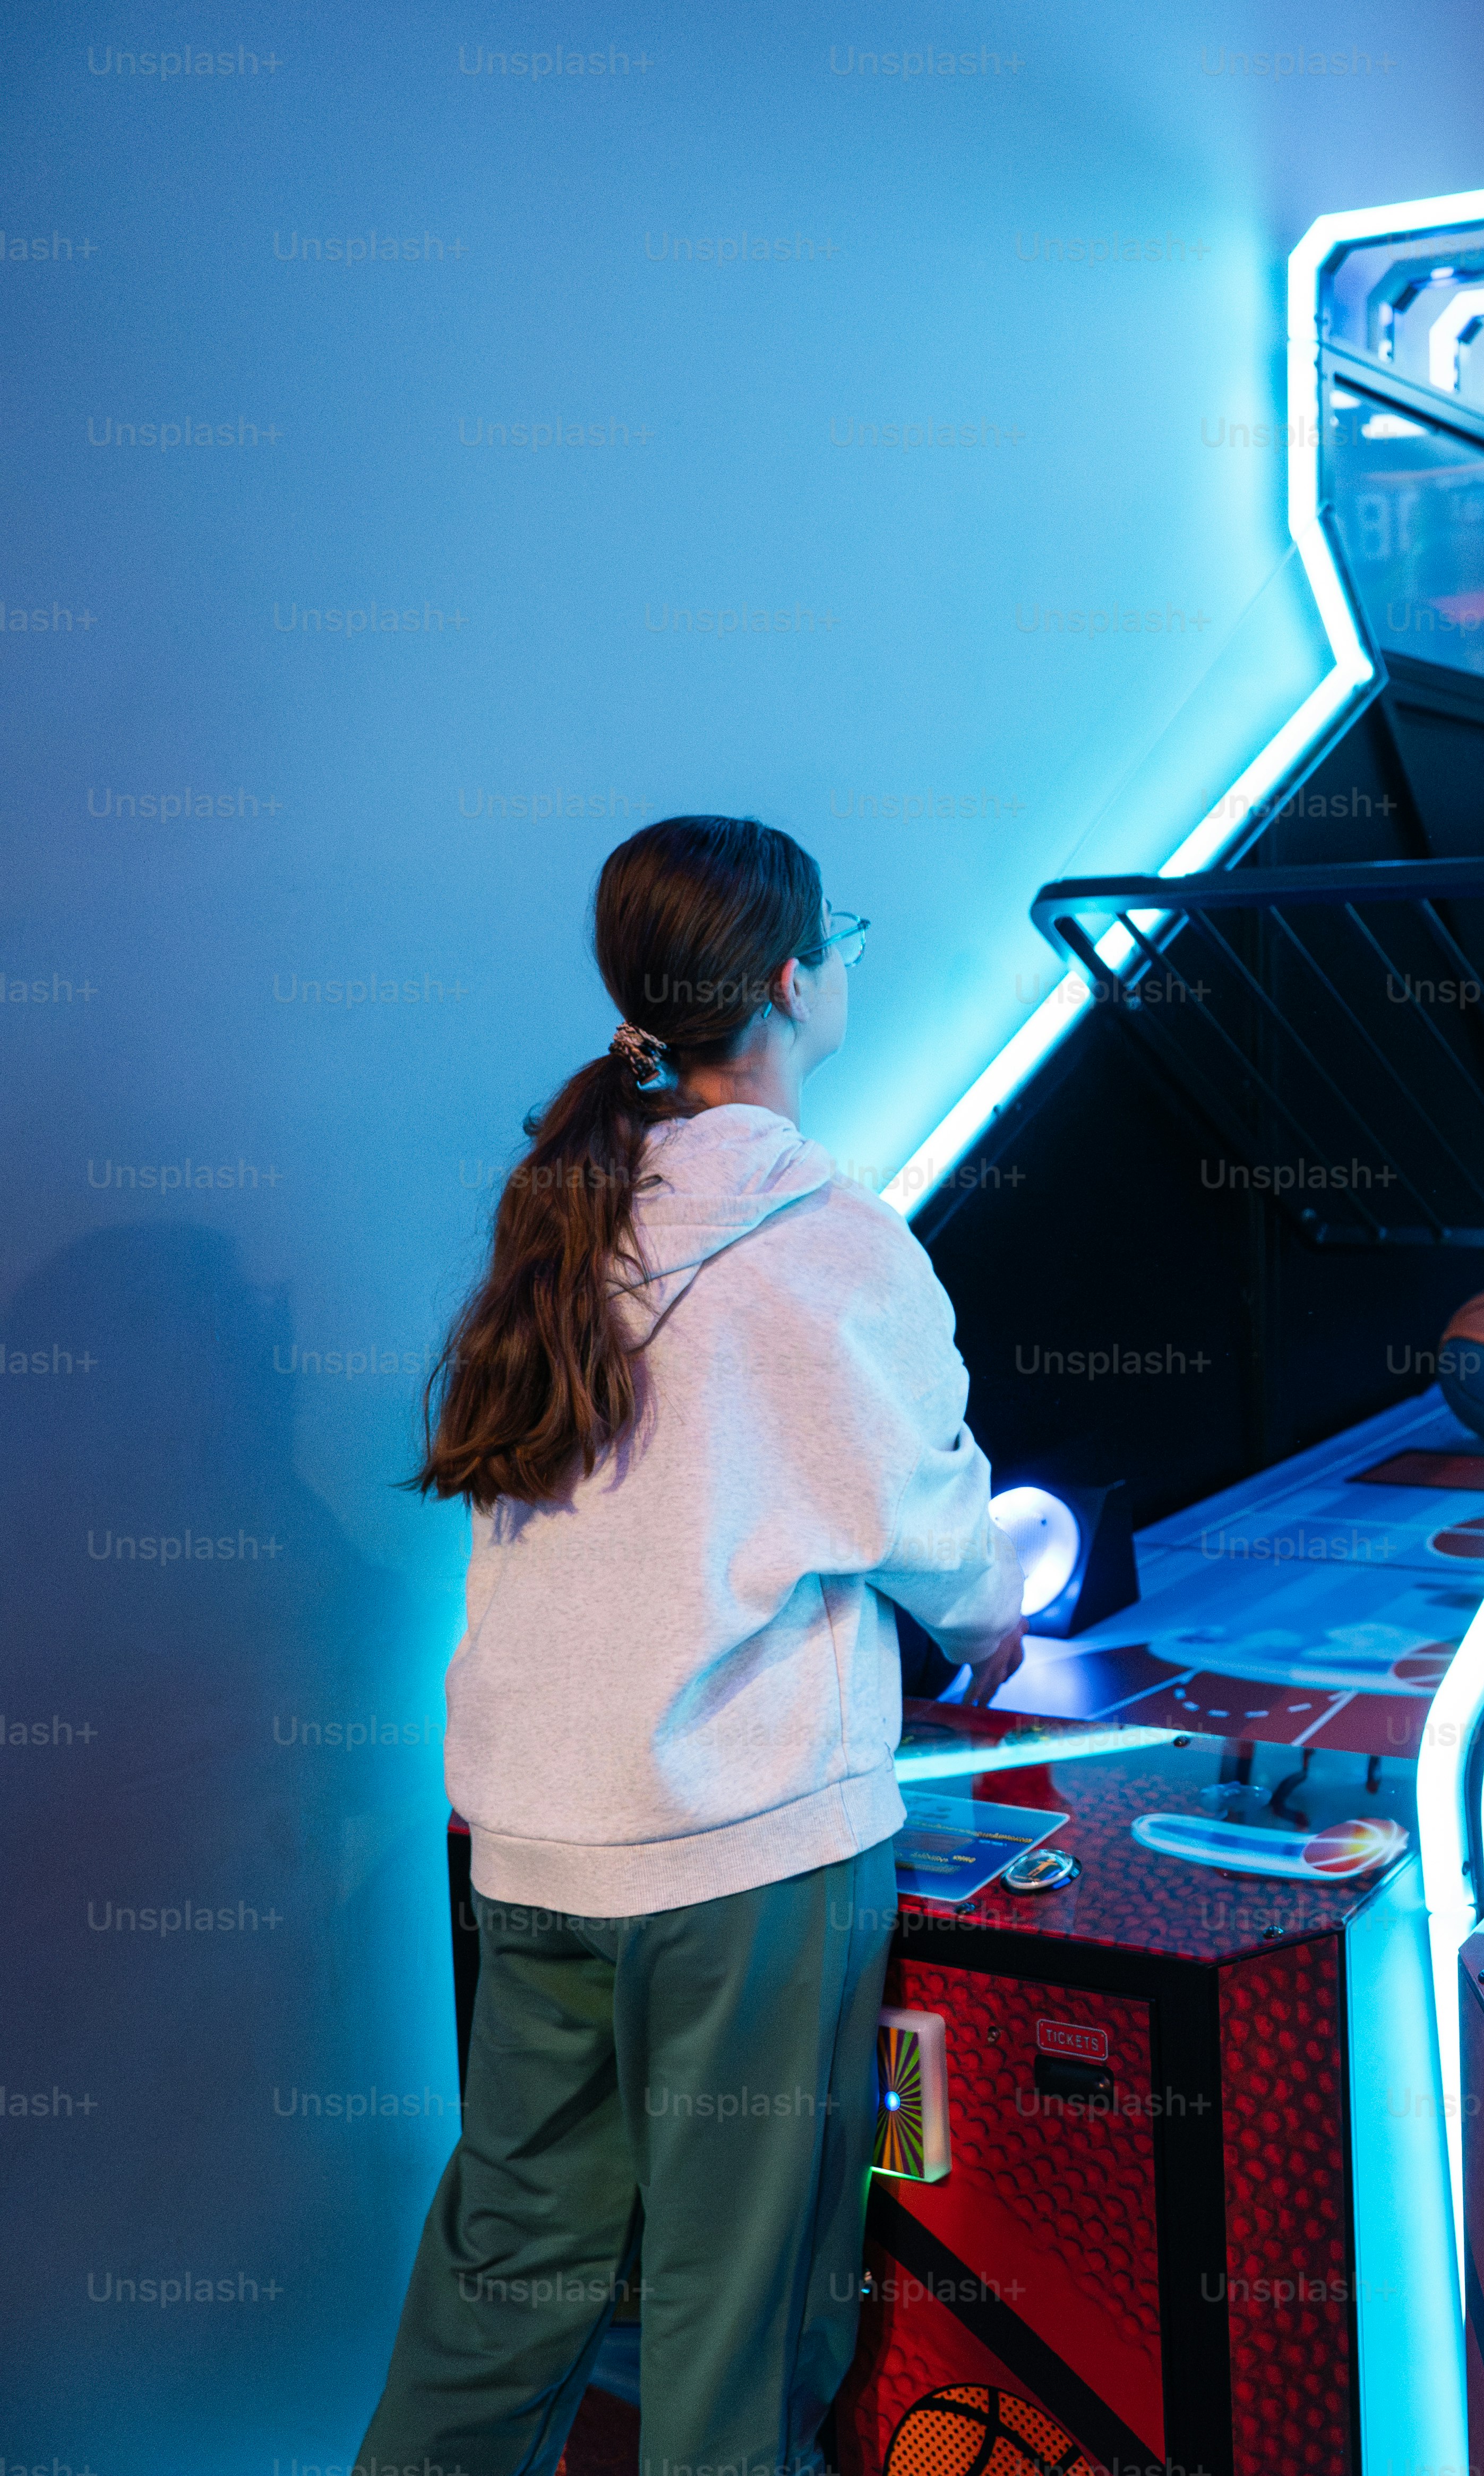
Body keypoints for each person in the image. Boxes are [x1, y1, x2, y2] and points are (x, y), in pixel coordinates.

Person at [360, 817, 1023, 2476]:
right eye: (840, 939)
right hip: (741, 1862)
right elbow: (932, 1528)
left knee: (502, 2292)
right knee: (737, 2331)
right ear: (796, 980)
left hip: (535, 1839)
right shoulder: (825, 1234)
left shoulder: (566, 1213)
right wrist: (990, 1626)